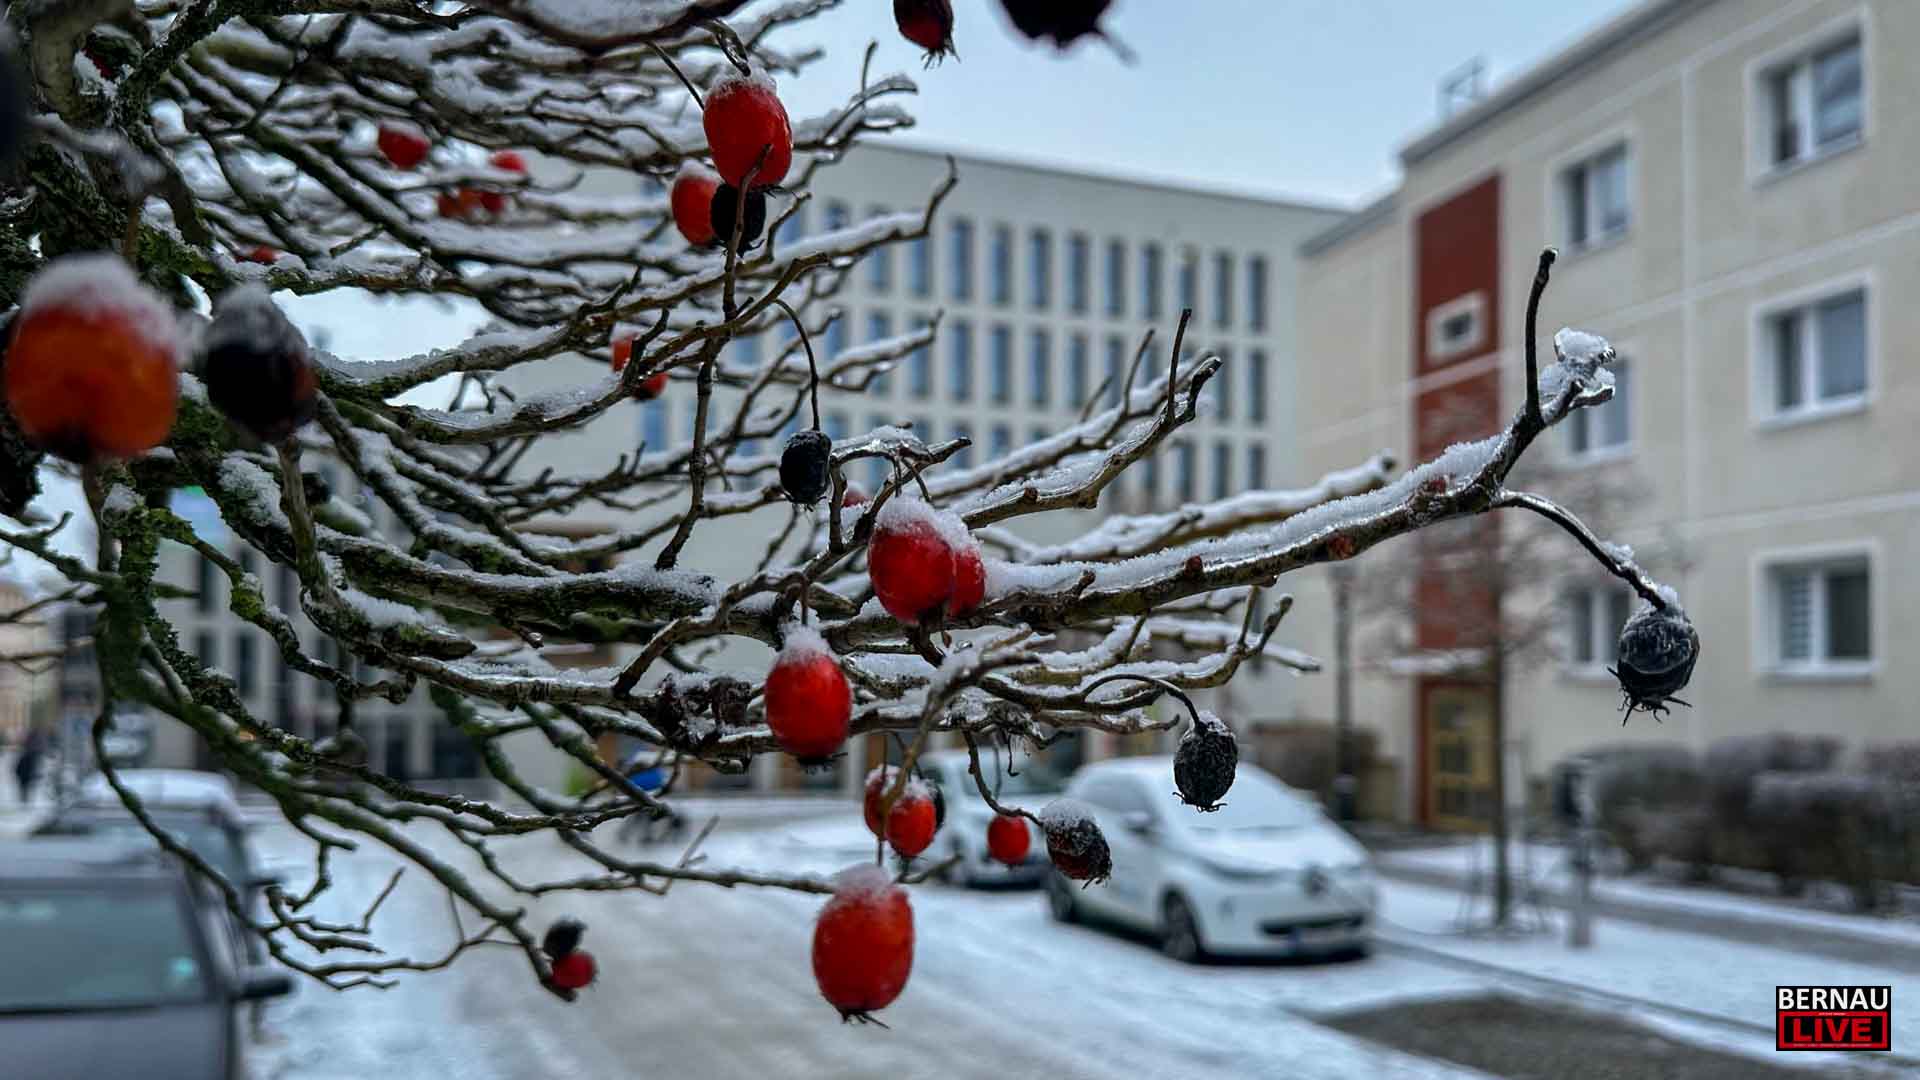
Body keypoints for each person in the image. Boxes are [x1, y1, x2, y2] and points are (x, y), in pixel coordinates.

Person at [13, 722, 47, 805]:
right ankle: (25, 798)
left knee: (25, 785)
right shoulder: (38, 739)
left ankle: (25, 797)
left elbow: (17, 768)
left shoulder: (31, 742)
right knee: (27, 784)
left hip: (25, 773)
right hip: (27, 771)